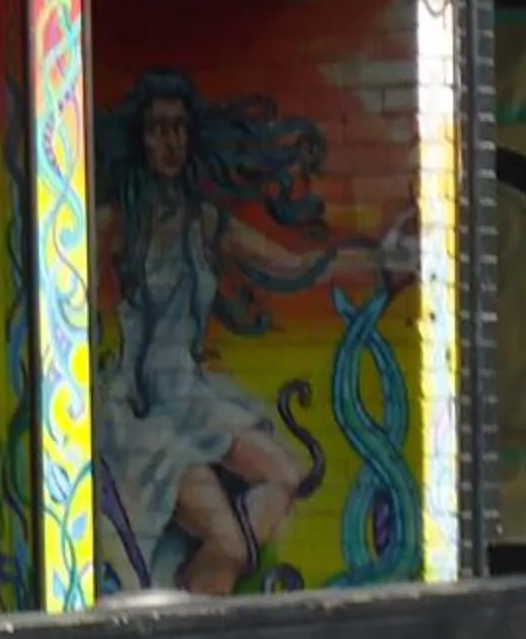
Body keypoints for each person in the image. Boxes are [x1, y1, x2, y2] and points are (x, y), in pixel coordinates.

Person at [94, 74, 409, 594]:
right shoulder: (122, 220)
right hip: (144, 409)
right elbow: (64, 277)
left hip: (191, 394)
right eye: (157, 130)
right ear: (139, 140)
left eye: (178, 128)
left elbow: (292, 265)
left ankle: (189, 588)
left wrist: (381, 257)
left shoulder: (205, 222)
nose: (170, 142)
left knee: (285, 476)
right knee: (234, 544)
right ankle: (194, 614)